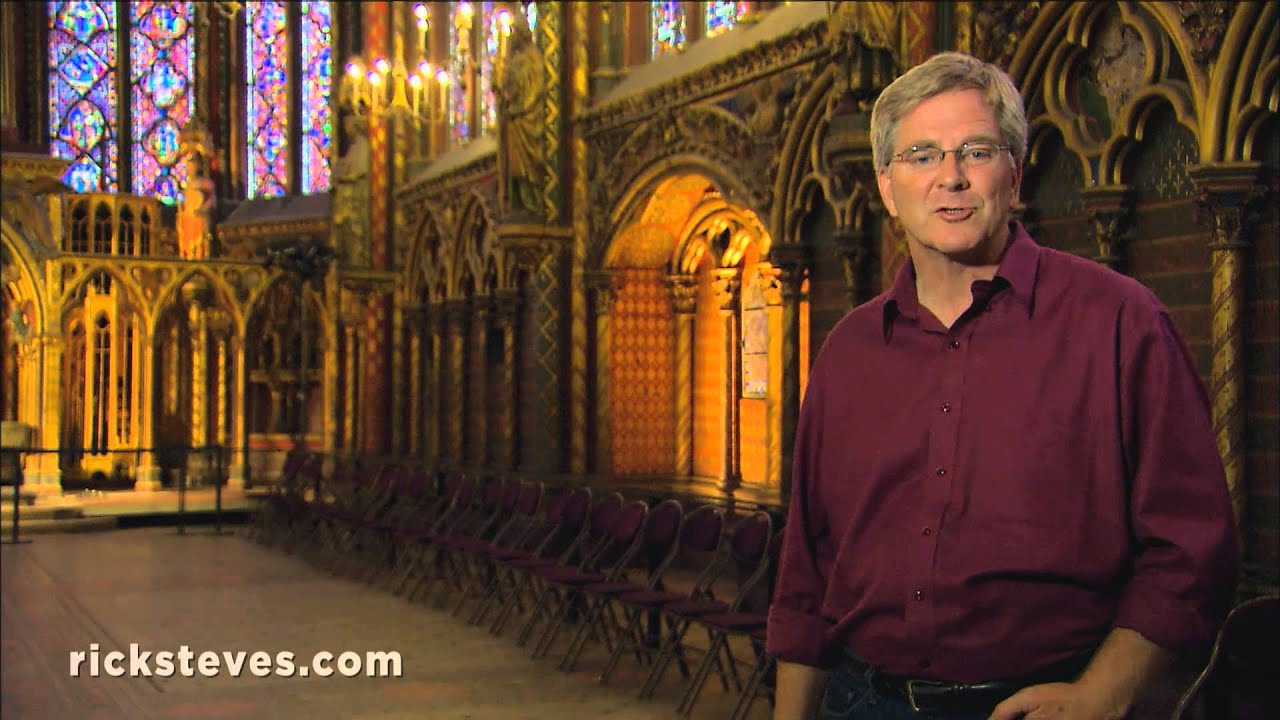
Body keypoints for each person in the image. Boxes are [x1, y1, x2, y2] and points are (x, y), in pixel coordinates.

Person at [765, 52, 1239, 720]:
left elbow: (1191, 546)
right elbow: (809, 563)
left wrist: (1105, 693)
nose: (949, 178)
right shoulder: (848, 351)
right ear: (885, 187)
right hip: (860, 699)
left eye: (976, 151)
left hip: (1038, 702)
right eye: (921, 155)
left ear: (1015, 173)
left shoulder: (1119, 321)